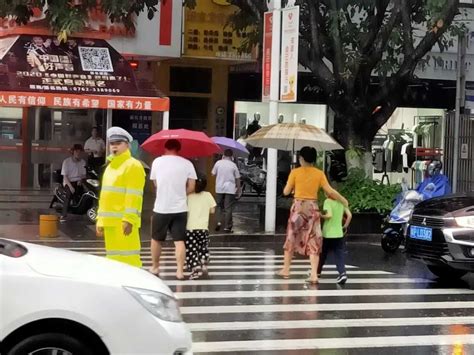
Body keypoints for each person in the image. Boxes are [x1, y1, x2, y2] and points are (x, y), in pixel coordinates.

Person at [276, 146, 349, 284]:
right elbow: (330, 191)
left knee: (291, 236)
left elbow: (285, 192)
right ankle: (314, 274)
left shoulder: (295, 172)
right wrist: (343, 200)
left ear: (301, 158)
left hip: (298, 208)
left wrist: (292, 187)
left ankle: (286, 269)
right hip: (312, 208)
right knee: (313, 239)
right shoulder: (319, 174)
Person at [96, 127, 145, 267]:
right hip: (110, 223)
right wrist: (100, 219)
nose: (114, 146)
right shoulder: (110, 166)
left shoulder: (133, 166)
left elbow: (134, 195)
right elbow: (104, 196)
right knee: (113, 261)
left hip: (124, 223)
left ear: (127, 145)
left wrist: (129, 219)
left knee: (129, 260)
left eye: (119, 142)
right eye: (112, 143)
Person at [149, 139, 197, 280]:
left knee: (156, 239)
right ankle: (180, 271)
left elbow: (156, 183)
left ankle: (155, 266)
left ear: (165, 148)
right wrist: (182, 194)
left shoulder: (157, 162)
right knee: (179, 240)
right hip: (180, 208)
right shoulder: (187, 163)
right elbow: (192, 187)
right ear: (178, 149)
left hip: (161, 207)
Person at [185, 175, 217, 280]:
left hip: (190, 228)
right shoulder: (208, 195)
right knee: (203, 247)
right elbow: (212, 210)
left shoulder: (188, 196)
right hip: (203, 228)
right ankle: (203, 262)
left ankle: (196, 267)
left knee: (192, 249)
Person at [318, 195, 352, 284]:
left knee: (322, 254)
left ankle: (317, 272)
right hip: (339, 233)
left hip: (327, 233)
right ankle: (342, 273)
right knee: (339, 255)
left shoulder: (327, 201)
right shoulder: (342, 202)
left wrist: (320, 215)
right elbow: (349, 216)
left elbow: (329, 215)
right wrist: (344, 227)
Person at [212, 149, 241, 233]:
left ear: (223, 155)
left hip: (219, 188)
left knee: (218, 206)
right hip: (230, 189)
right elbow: (238, 178)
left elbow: (213, 173)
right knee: (228, 208)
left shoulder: (218, 163)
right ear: (231, 156)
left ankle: (218, 222)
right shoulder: (233, 165)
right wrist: (238, 190)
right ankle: (227, 227)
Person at [60, 144, 86, 223]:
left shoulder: (83, 162)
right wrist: (70, 187)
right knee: (68, 195)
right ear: (73, 152)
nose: (78, 153)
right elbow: (65, 176)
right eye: (76, 151)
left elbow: (84, 175)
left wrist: (81, 180)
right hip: (69, 182)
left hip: (79, 181)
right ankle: (63, 215)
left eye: (79, 152)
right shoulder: (66, 162)